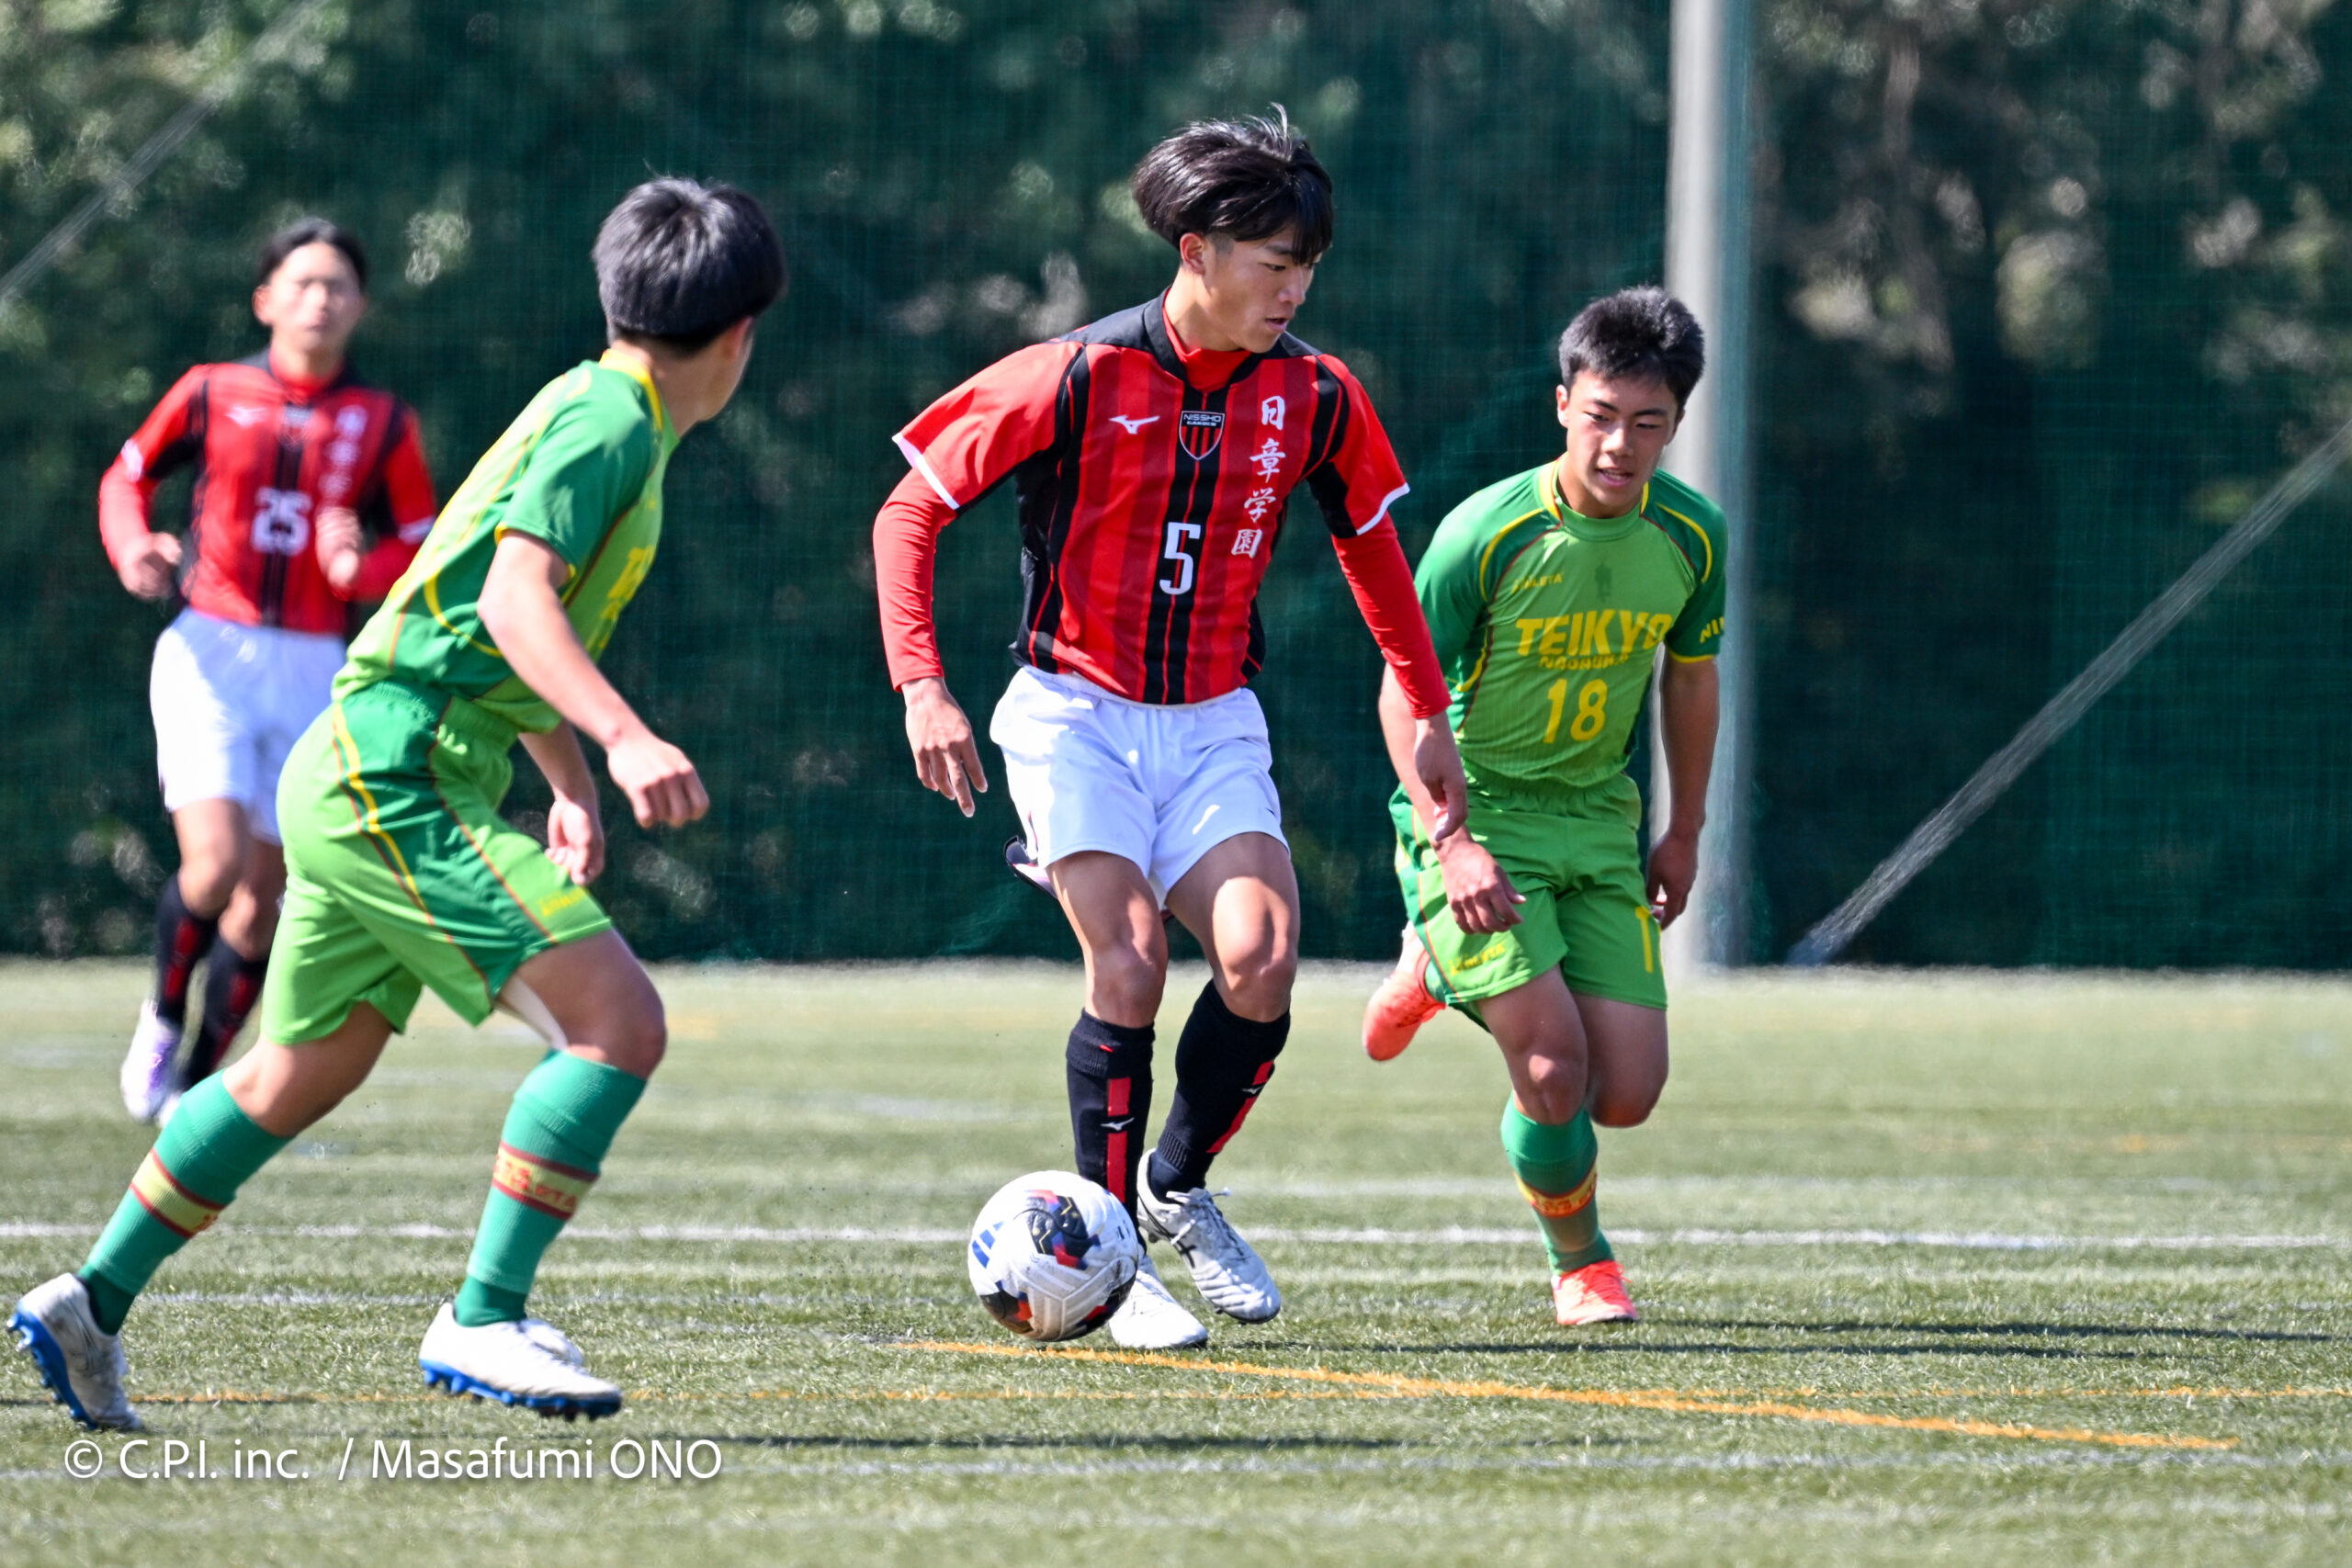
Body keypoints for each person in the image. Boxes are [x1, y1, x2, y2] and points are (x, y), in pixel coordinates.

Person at [10, 178, 785, 1429]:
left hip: (371, 761)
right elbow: (514, 603)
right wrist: (625, 737)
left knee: (296, 1073)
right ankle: (483, 1315)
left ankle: (89, 1302)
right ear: (742, 335)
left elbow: (476, 613)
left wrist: (569, 782)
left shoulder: (595, 402)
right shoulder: (611, 425)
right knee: (617, 1023)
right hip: (395, 773)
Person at [876, 111, 1467, 1349]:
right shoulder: (1076, 373)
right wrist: (922, 685)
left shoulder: (1317, 394)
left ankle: (1176, 1184)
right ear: (1196, 252)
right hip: (1072, 713)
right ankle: (1115, 1257)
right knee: (1133, 962)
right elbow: (909, 511)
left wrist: (1425, 705)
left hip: (1210, 723)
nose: (1294, 290)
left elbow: (1372, 553)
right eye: (1275, 264)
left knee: (1262, 959)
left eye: (1309, 268)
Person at [1362, 288, 1724, 1327]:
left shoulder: (1693, 537)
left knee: (1628, 1093)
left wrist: (1683, 829)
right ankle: (1583, 1264)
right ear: (1562, 403)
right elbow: (1402, 692)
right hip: (1477, 818)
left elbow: (1690, 679)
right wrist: (1452, 841)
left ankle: (1438, 971)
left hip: (1598, 823)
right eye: (1600, 415)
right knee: (1556, 1071)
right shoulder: (1486, 532)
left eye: (1647, 422)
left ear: (1676, 423)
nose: (1619, 445)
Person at [104, 219, 439, 1122]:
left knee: (264, 902)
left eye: (337, 286)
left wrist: (361, 570)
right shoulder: (212, 389)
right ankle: (162, 1016)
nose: (319, 300)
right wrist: (134, 547)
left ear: (361, 306)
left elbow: (420, 542)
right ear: (265, 300)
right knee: (211, 868)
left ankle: (196, 1083)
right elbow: (127, 478)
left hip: (316, 666)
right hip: (210, 650)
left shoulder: (382, 421)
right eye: (302, 283)